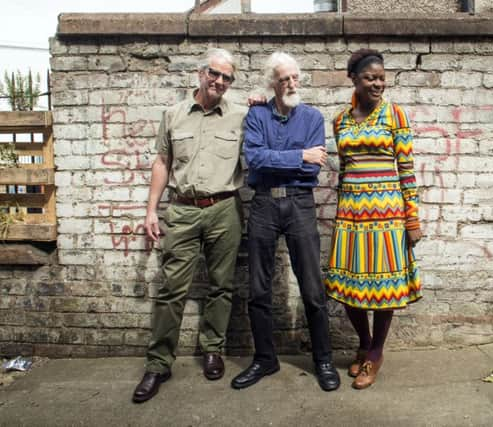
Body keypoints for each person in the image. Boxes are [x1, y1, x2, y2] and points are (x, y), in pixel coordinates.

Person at [132, 48, 246, 403]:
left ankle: (213, 348)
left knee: (221, 286)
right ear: (200, 73)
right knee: (171, 289)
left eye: (227, 77)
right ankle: (158, 363)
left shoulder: (241, 115)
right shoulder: (174, 114)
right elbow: (162, 163)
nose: (220, 81)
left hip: (225, 209)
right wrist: (151, 210)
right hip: (181, 210)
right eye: (215, 73)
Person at [231, 52, 340, 392]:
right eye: (284, 80)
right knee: (259, 289)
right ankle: (265, 358)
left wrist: (297, 161)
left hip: (299, 204)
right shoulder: (257, 114)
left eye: (295, 77)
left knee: (311, 287)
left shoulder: (311, 117)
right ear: (272, 84)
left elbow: (313, 168)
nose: (292, 84)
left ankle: (323, 359)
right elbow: (255, 159)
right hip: (263, 203)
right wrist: (299, 155)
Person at [324, 48, 423, 390]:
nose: (378, 83)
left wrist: (412, 219)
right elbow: (344, 172)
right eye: (370, 78)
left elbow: (407, 172)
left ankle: (376, 353)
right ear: (354, 79)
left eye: (381, 77)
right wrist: (341, 212)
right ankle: (364, 343)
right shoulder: (341, 121)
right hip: (351, 216)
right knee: (349, 290)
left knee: (385, 290)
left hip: (388, 217)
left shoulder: (395, 116)